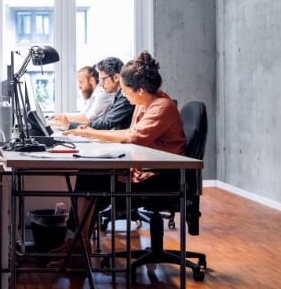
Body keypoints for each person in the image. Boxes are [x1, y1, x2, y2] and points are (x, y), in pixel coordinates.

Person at [60, 51, 186, 252]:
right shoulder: (146, 103)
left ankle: (78, 247)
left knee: (91, 180)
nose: (125, 96)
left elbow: (132, 138)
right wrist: (92, 134)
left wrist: (91, 133)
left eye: (126, 92)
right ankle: (78, 244)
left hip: (159, 177)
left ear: (141, 90)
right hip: (146, 168)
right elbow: (130, 132)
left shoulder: (161, 107)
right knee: (88, 175)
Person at [78, 57, 134, 131]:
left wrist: (77, 126)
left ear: (116, 77)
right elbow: (106, 118)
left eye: (103, 79)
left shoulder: (125, 97)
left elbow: (107, 122)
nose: (101, 84)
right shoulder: (117, 95)